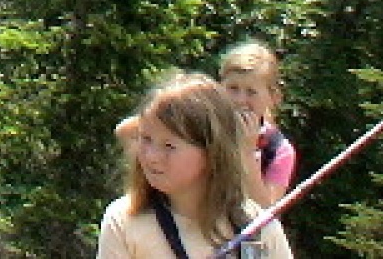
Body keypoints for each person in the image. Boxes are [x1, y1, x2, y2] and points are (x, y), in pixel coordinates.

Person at [98, 72, 295, 258]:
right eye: (146, 139)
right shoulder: (123, 221)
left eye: (169, 146)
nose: (152, 157)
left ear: (212, 153)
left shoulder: (258, 228)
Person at [219, 41, 297, 207]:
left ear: (273, 98)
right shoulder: (201, 128)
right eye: (233, 88)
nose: (240, 100)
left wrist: (248, 153)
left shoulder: (278, 150)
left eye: (251, 92)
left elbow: (265, 212)